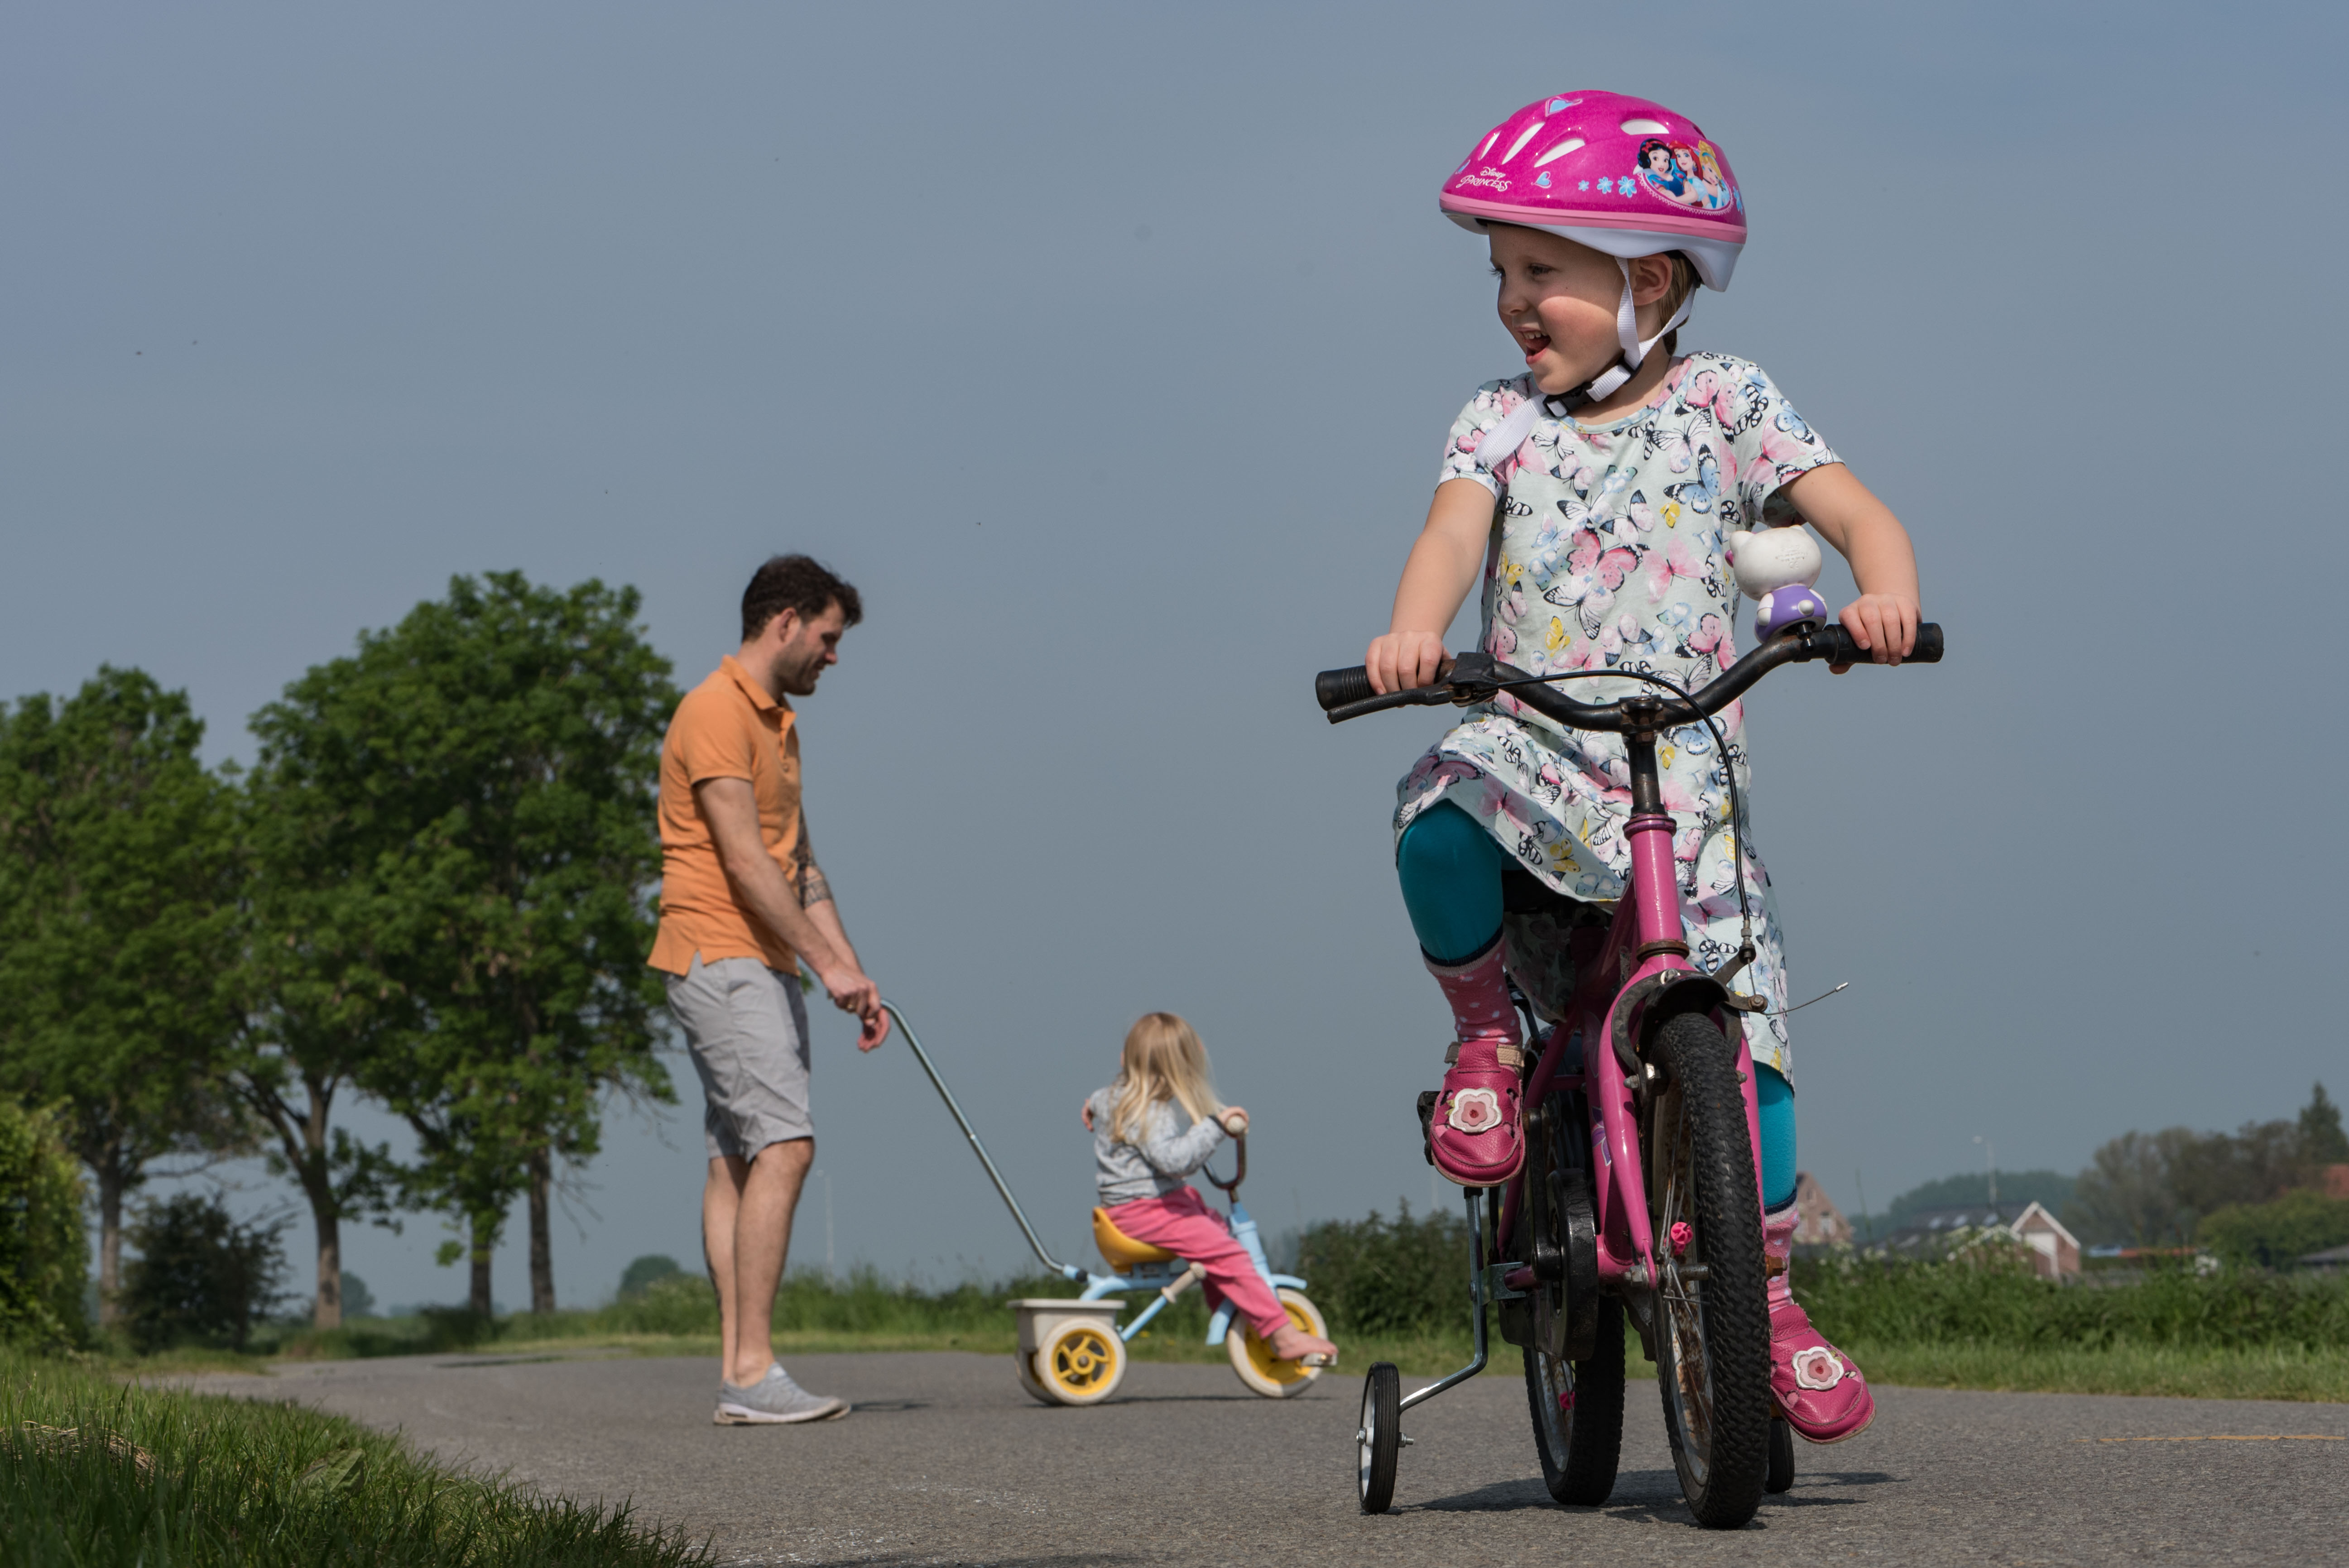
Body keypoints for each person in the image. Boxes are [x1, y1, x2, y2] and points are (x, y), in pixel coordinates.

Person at [1368, 92, 1922, 1446]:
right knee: (1439, 817)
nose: (1512, 299)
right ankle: (1485, 1035)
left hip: (1689, 784)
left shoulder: (1729, 400)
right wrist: (1415, 629)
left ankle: (1768, 1297)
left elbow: (1850, 510)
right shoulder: (1496, 422)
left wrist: (1887, 593)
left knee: (1758, 1050)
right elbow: (1452, 535)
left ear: (1648, 281)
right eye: (1500, 272)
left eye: (1539, 270)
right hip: (1538, 744)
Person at [650, 553, 891, 1425]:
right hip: (720, 952)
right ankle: (752, 1371)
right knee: (787, 1144)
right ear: (784, 620)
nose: (834, 656)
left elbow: (800, 864)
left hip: (764, 956)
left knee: (739, 1158)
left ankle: (736, 1367)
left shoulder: (778, 723)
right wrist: (826, 966)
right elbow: (743, 859)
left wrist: (851, 970)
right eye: (828, 638)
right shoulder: (714, 710)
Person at [1080, 1014, 1338, 1366]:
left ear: (1128, 1059)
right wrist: (1215, 1126)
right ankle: (1281, 1333)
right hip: (1146, 1212)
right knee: (1228, 1253)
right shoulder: (1150, 1112)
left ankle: (1235, 1308)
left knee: (1214, 1226)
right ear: (1178, 1067)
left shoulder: (1112, 1098)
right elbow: (1177, 1160)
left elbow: (1097, 1100)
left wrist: (1092, 1107)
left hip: (1135, 1208)